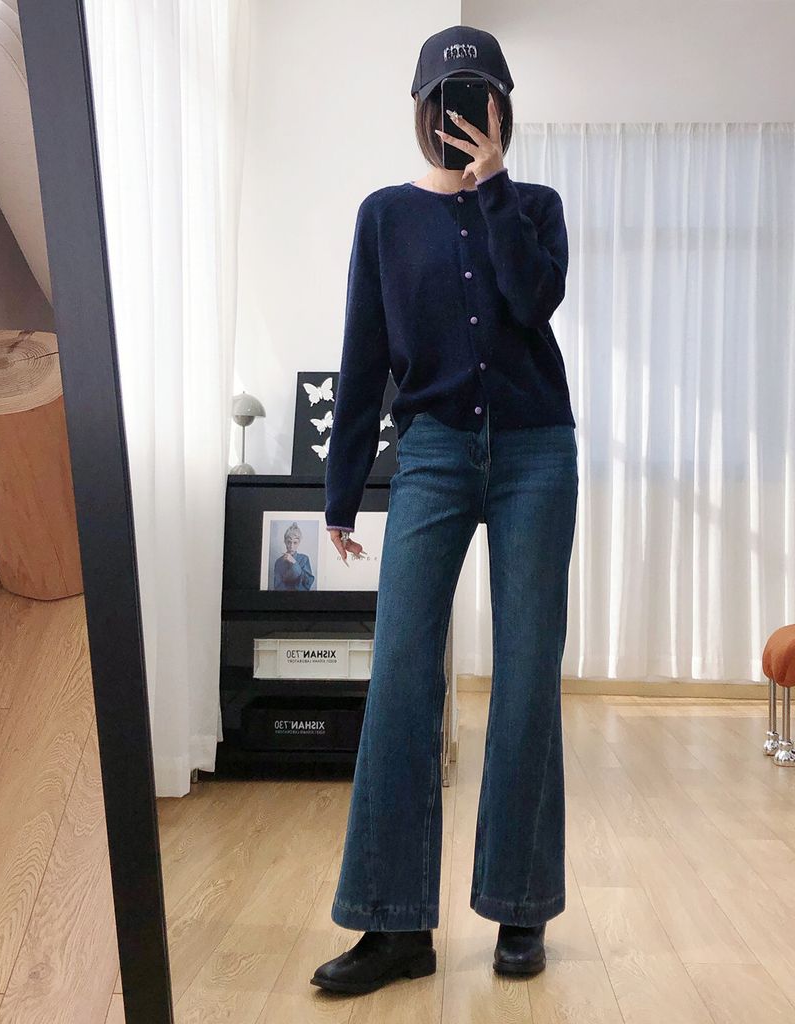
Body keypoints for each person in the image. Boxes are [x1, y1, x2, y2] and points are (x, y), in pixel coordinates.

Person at [311, 24, 578, 995]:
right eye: (448, 101)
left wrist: (493, 183)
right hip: (429, 454)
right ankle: (394, 928)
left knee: (525, 676)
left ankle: (520, 906)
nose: (463, 115)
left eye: (481, 100)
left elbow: (532, 301)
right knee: (400, 675)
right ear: (423, 110)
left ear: (502, 110)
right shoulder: (383, 217)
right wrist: (341, 491)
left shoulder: (535, 206)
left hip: (535, 453)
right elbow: (363, 353)